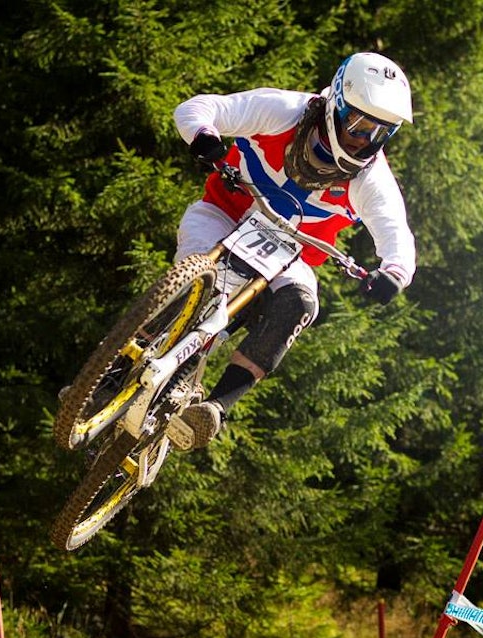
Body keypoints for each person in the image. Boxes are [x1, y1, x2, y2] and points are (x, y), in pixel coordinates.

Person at [165, 52, 417, 451]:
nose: (362, 139)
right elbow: (200, 107)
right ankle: (110, 378)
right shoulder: (285, 110)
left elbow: (395, 232)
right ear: (336, 100)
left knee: (301, 301)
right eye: (358, 123)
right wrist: (203, 133)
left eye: (379, 132)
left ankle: (215, 408)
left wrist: (394, 273)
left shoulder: (371, 177)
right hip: (222, 217)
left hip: (286, 255)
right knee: (197, 285)